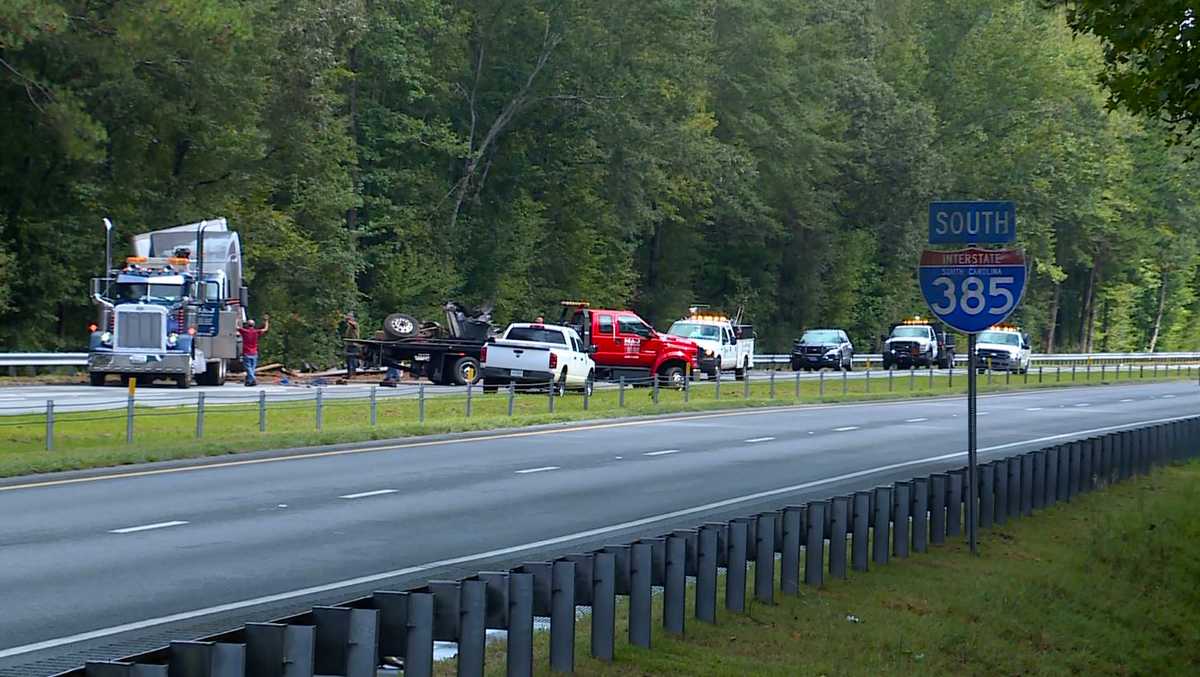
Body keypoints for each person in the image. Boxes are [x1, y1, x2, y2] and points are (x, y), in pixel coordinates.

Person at [237, 314, 269, 386]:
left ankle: (253, 379)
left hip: (247, 352)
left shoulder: (244, 331)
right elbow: (265, 329)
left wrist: (237, 320)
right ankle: (250, 381)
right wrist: (266, 321)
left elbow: (236, 327)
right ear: (253, 325)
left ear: (247, 325)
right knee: (252, 368)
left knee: (248, 368)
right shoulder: (256, 332)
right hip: (254, 352)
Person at [341, 312, 360, 377]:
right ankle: (349, 374)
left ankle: (353, 374)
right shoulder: (349, 326)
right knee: (348, 360)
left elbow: (353, 324)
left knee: (352, 360)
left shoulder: (355, 324)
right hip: (349, 344)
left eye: (350, 317)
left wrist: (347, 318)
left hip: (354, 345)